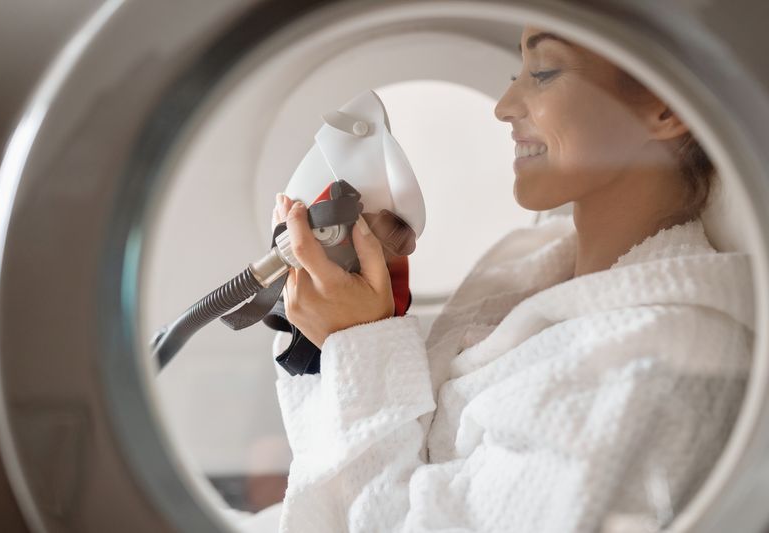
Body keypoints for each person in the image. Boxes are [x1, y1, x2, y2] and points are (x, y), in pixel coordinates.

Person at [268, 26, 754, 533]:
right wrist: (360, 320)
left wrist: (361, 346)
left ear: (665, 107)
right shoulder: (534, 269)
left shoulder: (651, 371)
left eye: (544, 72)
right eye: (513, 74)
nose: (502, 106)